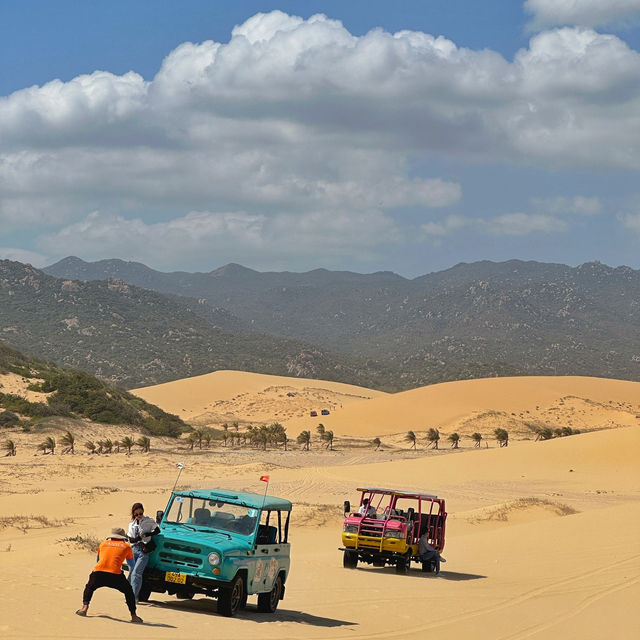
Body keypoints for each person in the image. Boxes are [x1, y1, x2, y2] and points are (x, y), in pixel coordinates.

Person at [76, 527, 143, 623]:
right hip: (115, 574)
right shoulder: (127, 546)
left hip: (98, 572)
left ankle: (84, 608)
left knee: (89, 587)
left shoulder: (103, 544)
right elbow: (132, 566)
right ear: (122, 537)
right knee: (129, 592)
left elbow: (98, 561)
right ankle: (134, 616)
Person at [127, 502, 161, 601]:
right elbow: (131, 540)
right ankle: (129, 594)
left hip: (143, 551)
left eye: (140, 513)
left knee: (136, 573)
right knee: (131, 572)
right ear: (133, 514)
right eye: (136, 514)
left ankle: (133, 597)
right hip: (134, 549)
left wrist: (148, 534)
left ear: (143, 511)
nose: (139, 516)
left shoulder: (148, 521)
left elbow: (157, 531)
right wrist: (139, 537)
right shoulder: (132, 525)